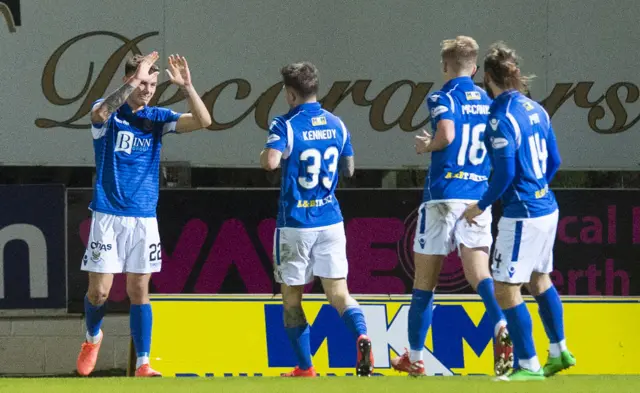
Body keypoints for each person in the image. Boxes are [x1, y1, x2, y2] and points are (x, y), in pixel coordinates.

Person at [77, 52, 212, 377]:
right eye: (143, 82)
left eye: (153, 83)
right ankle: (92, 338)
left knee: (139, 290)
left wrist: (188, 87)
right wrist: (135, 78)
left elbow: (204, 121)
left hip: (143, 218)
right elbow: (100, 112)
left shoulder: (157, 117)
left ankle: (143, 363)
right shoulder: (109, 113)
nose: (149, 89)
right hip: (107, 215)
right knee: (100, 292)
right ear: (129, 81)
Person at [391, 36, 513, 377]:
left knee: (424, 282)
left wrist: (428, 146)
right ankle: (501, 322)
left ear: (445, 66)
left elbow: (446, 133)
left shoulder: (442, 96)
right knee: (479, 273)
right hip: (477, 195)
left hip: (444, 195)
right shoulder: (491, 103)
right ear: (474, 69)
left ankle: (415, 356)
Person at [463, 42, 576, 381]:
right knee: (540, 280)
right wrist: (537, 186)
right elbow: (554, 161)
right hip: (546, 205)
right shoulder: (536, 109)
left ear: (486, 78)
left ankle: (528, 364)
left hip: (523, 214)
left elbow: (505, 174)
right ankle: (560, 351)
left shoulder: (499, 117)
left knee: (505, 288)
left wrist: (480, 205)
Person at [260, 61, 374, 377]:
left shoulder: (284, 124)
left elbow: (270, 162)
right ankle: (362, 335)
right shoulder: (337, 125)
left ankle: (306, 367)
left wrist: (270, 155)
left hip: (296, 223)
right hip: (331, 220)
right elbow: (349, 169)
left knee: (292, 299)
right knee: (339, 292)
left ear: (290, 94)